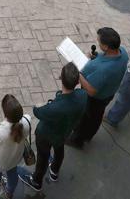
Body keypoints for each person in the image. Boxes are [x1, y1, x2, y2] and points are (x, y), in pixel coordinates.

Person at [19, 63, 86, 193]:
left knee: (43, 157)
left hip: (46, 135)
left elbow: (37, 111)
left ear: (61, 78)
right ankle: (54, 171)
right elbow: (64, 96)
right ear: (78, 81)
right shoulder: (83, 96)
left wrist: (39, 105)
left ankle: (37, 181)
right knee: (59, 150)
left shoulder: (55, 108)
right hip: (64, 133)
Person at [67, 27, 128, 148]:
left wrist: (78, 73)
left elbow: (91, 90)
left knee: (85, 119)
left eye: (99, 41)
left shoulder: (104, 70)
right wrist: (95, 58)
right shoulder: (122, 51)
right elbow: (105, 59)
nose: (98, 42)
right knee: (96, 117)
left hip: (95, 100)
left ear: (106, 47)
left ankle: (77, 141)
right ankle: (88, 136)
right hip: (108, 93)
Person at [0, 94, 30, 199]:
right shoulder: (27, 123)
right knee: (13, 175)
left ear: (5, 113)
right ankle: (9, 193)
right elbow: (27, 117)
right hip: (14, 160)